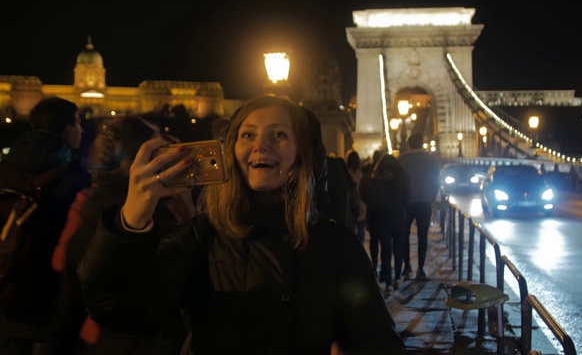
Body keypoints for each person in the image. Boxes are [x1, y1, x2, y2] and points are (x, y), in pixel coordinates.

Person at [77, 95, 405, 354]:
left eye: (279, 135)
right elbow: (118, 310)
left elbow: (375, 337)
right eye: (248, 134)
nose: (261, 146)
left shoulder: (337, 245)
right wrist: (129, 222)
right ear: (230, 151)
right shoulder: (199, 239)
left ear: (301, 155)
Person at [42, 115, 195, 355]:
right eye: (157, 154)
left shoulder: (88, 200)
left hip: (97, 338)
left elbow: (64, 272)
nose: (166, 160)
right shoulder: (156, 212)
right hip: (141, 342)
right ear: (129, 166)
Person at [0, 96, 91, 355]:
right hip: (51, 307)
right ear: (67, 130)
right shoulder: (75, 180)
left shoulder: (5, 169)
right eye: (78, 123)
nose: (81, 130)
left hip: (6, 294)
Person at [397, 133, 441, 281]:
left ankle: (407, 265)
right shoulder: (431, 160)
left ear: (409, 144)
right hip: (425, 202)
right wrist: (433, 196)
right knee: (423, 235)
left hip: (406, 203)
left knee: (404, 235)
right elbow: (436, 180)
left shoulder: (401, 160)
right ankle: (421, 269)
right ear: (421, 143)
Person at [367, 153, 410, 295]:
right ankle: (398, 276)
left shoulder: (377, 180)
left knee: (385, 250)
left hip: (384, 218)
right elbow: (407, 198)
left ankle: (388, 281)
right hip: (399, 217)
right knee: (398, 248)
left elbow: (373, 200)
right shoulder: (402, 179)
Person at [359, 150, 383, 275]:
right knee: (384, 242)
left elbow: (362, 192)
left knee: (374, 241)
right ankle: (385, 270)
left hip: (372, 211)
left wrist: (369, 202)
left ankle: (374, 265)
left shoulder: (367, 173)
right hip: (384, 213)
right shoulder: (386, 173)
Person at [345, 149, 366, 243]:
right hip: (361, 202)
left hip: (350, 203)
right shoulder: (361, 173)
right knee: (361, 227)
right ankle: (360, 246)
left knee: (351, 229)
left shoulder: (345, 173)